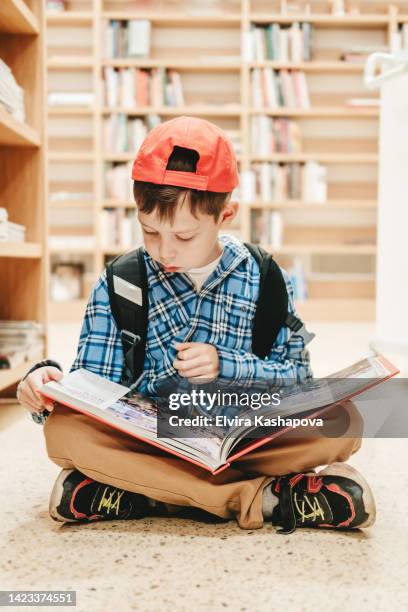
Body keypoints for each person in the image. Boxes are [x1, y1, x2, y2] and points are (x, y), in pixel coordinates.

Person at [16, 116, 375, 534]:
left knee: (345, 420)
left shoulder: (266, 277)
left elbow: (298, 380)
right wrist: (47, 390)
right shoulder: (119, 282)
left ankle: (146, 496)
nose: (165, 251)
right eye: (150, 231)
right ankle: (268, 498)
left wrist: (229, 366)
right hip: (154, 445)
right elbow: (93, 390)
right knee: (65, 431)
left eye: (184, 236)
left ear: (226, 214)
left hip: (244, 441)